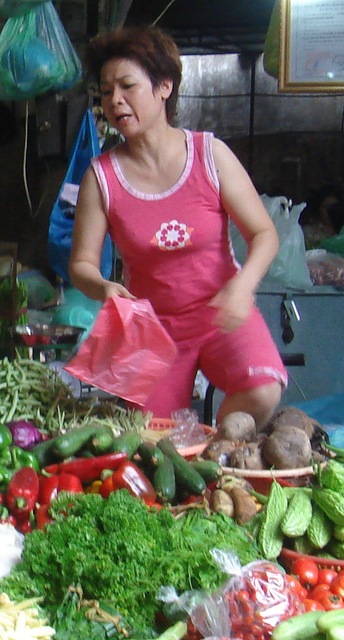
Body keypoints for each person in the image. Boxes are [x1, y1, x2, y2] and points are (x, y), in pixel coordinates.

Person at [69, 25, 287, 427]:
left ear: (164, 86)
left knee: (261, 390)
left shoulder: (210, 154)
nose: (114, 101)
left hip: (221, 309)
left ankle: (217, 456)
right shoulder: (101, 177)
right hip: (150, 327)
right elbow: (81, 264)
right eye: (105, 91)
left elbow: (264, 234)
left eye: (127, 86)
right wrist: (103, 288)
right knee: (155, 441)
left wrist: (243, 286)